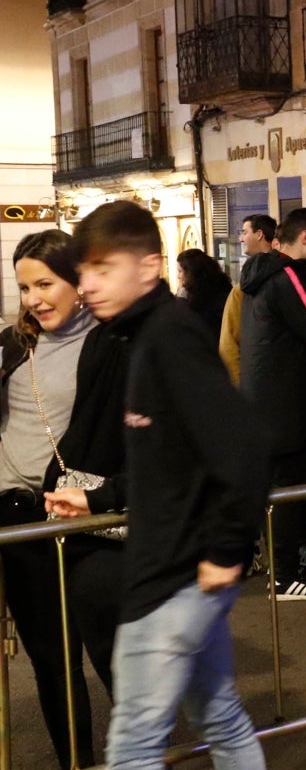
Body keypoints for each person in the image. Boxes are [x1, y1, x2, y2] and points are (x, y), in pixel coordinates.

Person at [54, 200, 268, 770]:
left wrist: (226, 551)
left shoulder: (168, 338)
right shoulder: (140, 337)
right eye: (84, 271)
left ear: (148, 267)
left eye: (102, 268)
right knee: (220, 716)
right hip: (177, 571)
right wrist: (97, 497)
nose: (88, 284)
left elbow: (241, 447)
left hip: (173, 579)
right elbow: (170, 461)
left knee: (133, 745)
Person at [0, 230, 125, 769]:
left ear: (78, 280)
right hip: (17, 519)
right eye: (25, 287)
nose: (34, 299)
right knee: (52, 664)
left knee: (116, 659)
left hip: (85, 521)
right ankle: (74, 761)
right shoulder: (12, 343)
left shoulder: (113, 342)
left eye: (45, 284)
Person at [240, 207, 306, 600]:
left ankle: (289, 560)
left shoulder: (261, 277)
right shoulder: (288, 275)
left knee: (280, 490)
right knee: (289, 490)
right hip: (286, 406)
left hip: (266, 404)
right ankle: (286, 575)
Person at [219, 214, 276, 386]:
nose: (241, 239)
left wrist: (240, 386)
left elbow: (228, 344)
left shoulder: (242, 290)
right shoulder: (240, 290)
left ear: (259, 234)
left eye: (245, 232)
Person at [177, 249, 232, 345]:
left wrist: (181, 300)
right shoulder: (222, 288)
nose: (178, 276)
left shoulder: (201, 299)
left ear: (191, 272)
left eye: (180, 271)